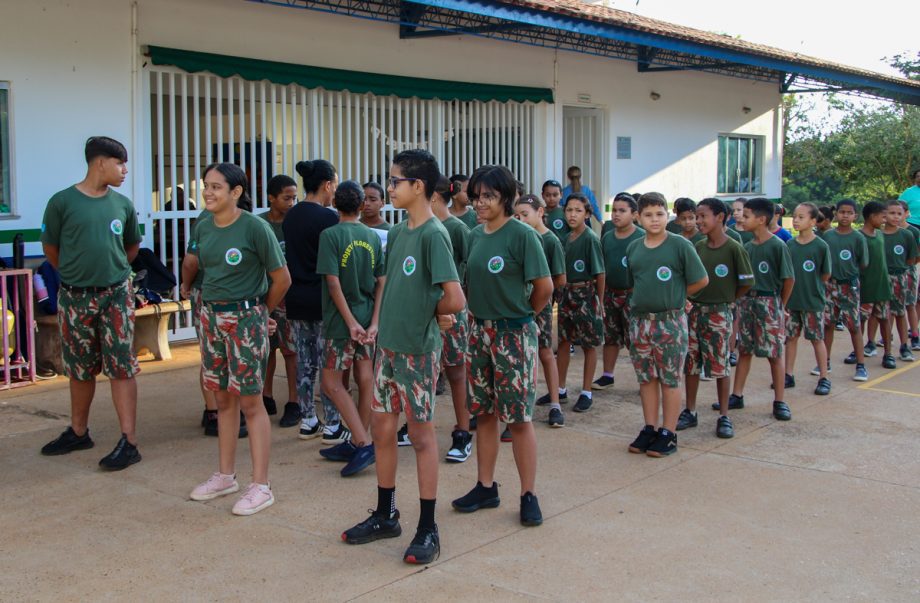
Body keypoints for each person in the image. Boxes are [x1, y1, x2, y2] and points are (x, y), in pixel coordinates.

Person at [341, 149, 465, 565]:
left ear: (419, 186)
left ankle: (428, 527)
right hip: (389, 349)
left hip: (417, 352)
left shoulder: (433, 234)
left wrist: (430, 312)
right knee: (382, 431)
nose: (389, 187)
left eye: (395, 181)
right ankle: (386, 513)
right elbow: (393, 285)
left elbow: (454, 298)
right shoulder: (397, 233)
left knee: (422, 438)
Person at [185, 162, 291, 516]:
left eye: (216, 187)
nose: (208, 192)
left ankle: (261, 485)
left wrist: (260, 314)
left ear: (236, 192)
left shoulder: (255, 228)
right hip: (211, 317)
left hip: (245, 318)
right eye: (206, 185)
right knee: (222, 399)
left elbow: (282, 279)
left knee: (250, 402)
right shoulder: (204, 226)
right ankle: (225, 476)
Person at [452, 165, 553, 527]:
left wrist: (520, 318)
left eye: (488, 196)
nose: (479, 203)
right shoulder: (475, 236)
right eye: (476, 196)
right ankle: (485, 487)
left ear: (507, 198)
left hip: (513, 335)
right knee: (484, 414)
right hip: (479, 333)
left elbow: (544, 288)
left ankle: (528, 494)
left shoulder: (523, 236)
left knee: (519, 419)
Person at [39, 136, 144, 470]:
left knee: (121, 366)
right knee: (79, 367)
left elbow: (131, 247)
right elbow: (51, 249)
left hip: (116, 294)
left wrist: (109, 272)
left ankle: (129, 441)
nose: (124, 170)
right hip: (75, 297)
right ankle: (78, 432)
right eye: (119, 163)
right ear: (100, 162)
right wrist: (77, 274)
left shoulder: (122, 205)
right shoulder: (62, 202)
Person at [624, 192, 708, 457]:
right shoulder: (634, 247)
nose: (654, 220)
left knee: (670, 379)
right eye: (648, 215)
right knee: (646, 377)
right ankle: (650, 427)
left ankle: (668, 433)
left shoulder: (679, 245)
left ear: (667, 215)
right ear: (638, 217)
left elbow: (701, 279)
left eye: (659, 214)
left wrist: (679, 297)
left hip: (669, 322)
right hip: (641, 322)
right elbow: (636, 282)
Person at [315, 181, 385, 477]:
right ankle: (360, 440)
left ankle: (362, 442)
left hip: (341, 323)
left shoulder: (330, 235)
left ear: (334, 204)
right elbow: (381, 281)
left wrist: (351, 323)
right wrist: (374, 321)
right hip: (366, 318)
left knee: (331, 383)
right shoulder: (371, 235)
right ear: (360, 206)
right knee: (365, 378)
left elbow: (333, 283)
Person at [679, 198, 753, 439]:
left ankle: (724, 415)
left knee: (720, 365)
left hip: (719, 313)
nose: (698, 221)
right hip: (694, 313)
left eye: (703, 216)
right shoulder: (698, 247)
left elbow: (746, 282)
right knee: (691, 363)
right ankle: (690, 410)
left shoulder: (734, 248)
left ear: (720, 217)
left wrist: (728, 300)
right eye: (697, 216)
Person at [283, 160, 345, 443]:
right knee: (328, 364)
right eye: (335, 185)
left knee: (304, 362)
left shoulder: (291, 216)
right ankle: (333, 423)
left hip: (296, 298)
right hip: (324, 300)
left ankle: (308, 420)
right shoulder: (329, 219)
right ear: (327, 185)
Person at [729, 198, 795, 421]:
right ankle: (737, 395)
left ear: (761, 219)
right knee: (744, 350)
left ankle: (779, 401)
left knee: (774, 353)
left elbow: (788, 279)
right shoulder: (747, 247)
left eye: (747, 216)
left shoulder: (778, 246)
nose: (742, 219)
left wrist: (780, 305)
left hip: (769, 302)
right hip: (748, 301)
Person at [431, 175, 474, 462]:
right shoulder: (413, 227)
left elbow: (471, 268)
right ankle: (415, 425)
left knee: (456, 372)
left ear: (433, 196)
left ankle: (463, 431)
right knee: (423, 372)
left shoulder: (458, 229)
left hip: (452, 311)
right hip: (425, 311)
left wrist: (467, 307)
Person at [516, 194, 567, 427]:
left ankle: (555, 403)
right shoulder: (518, 236)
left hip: (541, 304)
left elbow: (559, 278)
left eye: (525, 214)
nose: (521, 219)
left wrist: (542, 300)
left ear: (540, 212)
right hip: (518, 303)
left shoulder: (550, 241)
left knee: (545, 351)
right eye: (517, 215)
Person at [556, 193, 605, 413]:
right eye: (569, 210)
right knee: (564, 342)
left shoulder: (590, 238)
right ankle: (560, 388)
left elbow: (600, 273)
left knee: (588, 344)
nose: (572, 215)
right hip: (567, 294)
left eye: (578, 210)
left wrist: (599, 302)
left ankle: (586, 391)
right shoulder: (566, 238)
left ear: (586, 214)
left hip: (585, 294)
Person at [593, 193, 643, 391]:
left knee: (636, 339)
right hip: (610, 294)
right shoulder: (607, 237)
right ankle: (607, 375)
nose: (616, 214)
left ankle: (644, 378)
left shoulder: (641, 237)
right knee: (610, 337)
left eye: (622, 211)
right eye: (614, 210)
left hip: (633, 295)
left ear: (634, 215)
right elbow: (602, 267)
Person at [259, 175, 299, 417]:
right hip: (264, 293)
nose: (292, 203)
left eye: (294, 197)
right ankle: (267, 395)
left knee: (290, 350)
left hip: (289, 294)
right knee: (267, 348)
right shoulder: (259, 224)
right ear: (271, 198)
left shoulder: (296, 222)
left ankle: (294, 400)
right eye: (287, 198)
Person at [783, 203, 833, 396]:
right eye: (795, 216)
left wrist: (812, 288)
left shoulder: (820, 246)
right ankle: (788, 374)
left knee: (816, 339)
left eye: (801, 217)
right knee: (791, 338)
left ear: (813, 221)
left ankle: (823, 377)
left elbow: (825, 274)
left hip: (812, 302)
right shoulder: (789, 245)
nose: (796, 220)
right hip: (793, 301)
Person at [821, 199, 870, 381]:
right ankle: (824, 361)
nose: (845, 216)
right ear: (836, 214)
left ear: (855, 216)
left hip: (850, 285)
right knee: (828, 324)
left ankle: (861, 365)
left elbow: (863, 263)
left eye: (849, 213)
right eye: (842, 212)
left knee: (854, 326)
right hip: (830, 285)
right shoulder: (828, 236)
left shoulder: (858, 238)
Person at [875, 200, 918, 362]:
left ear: (904, 215)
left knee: (900, 313)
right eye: (892, 213)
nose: (895, 217)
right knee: (884, 314)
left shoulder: (907, 235)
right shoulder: (877, 234)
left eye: (899, 214)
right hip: (881, 279)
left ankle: (905, 346)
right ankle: (887, 351)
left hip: (900, 278)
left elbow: (911, 259)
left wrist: (898, 271)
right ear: (884, 214)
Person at [857, 201, 895, 370]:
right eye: (882, 216)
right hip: (865, 287)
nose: (885, 220)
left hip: (881, 286)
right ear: (872, 217)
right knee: (860, 321)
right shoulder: (859, 237)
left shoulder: (879, 235)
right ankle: (858, 351)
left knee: (884, 319)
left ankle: (888, 353)